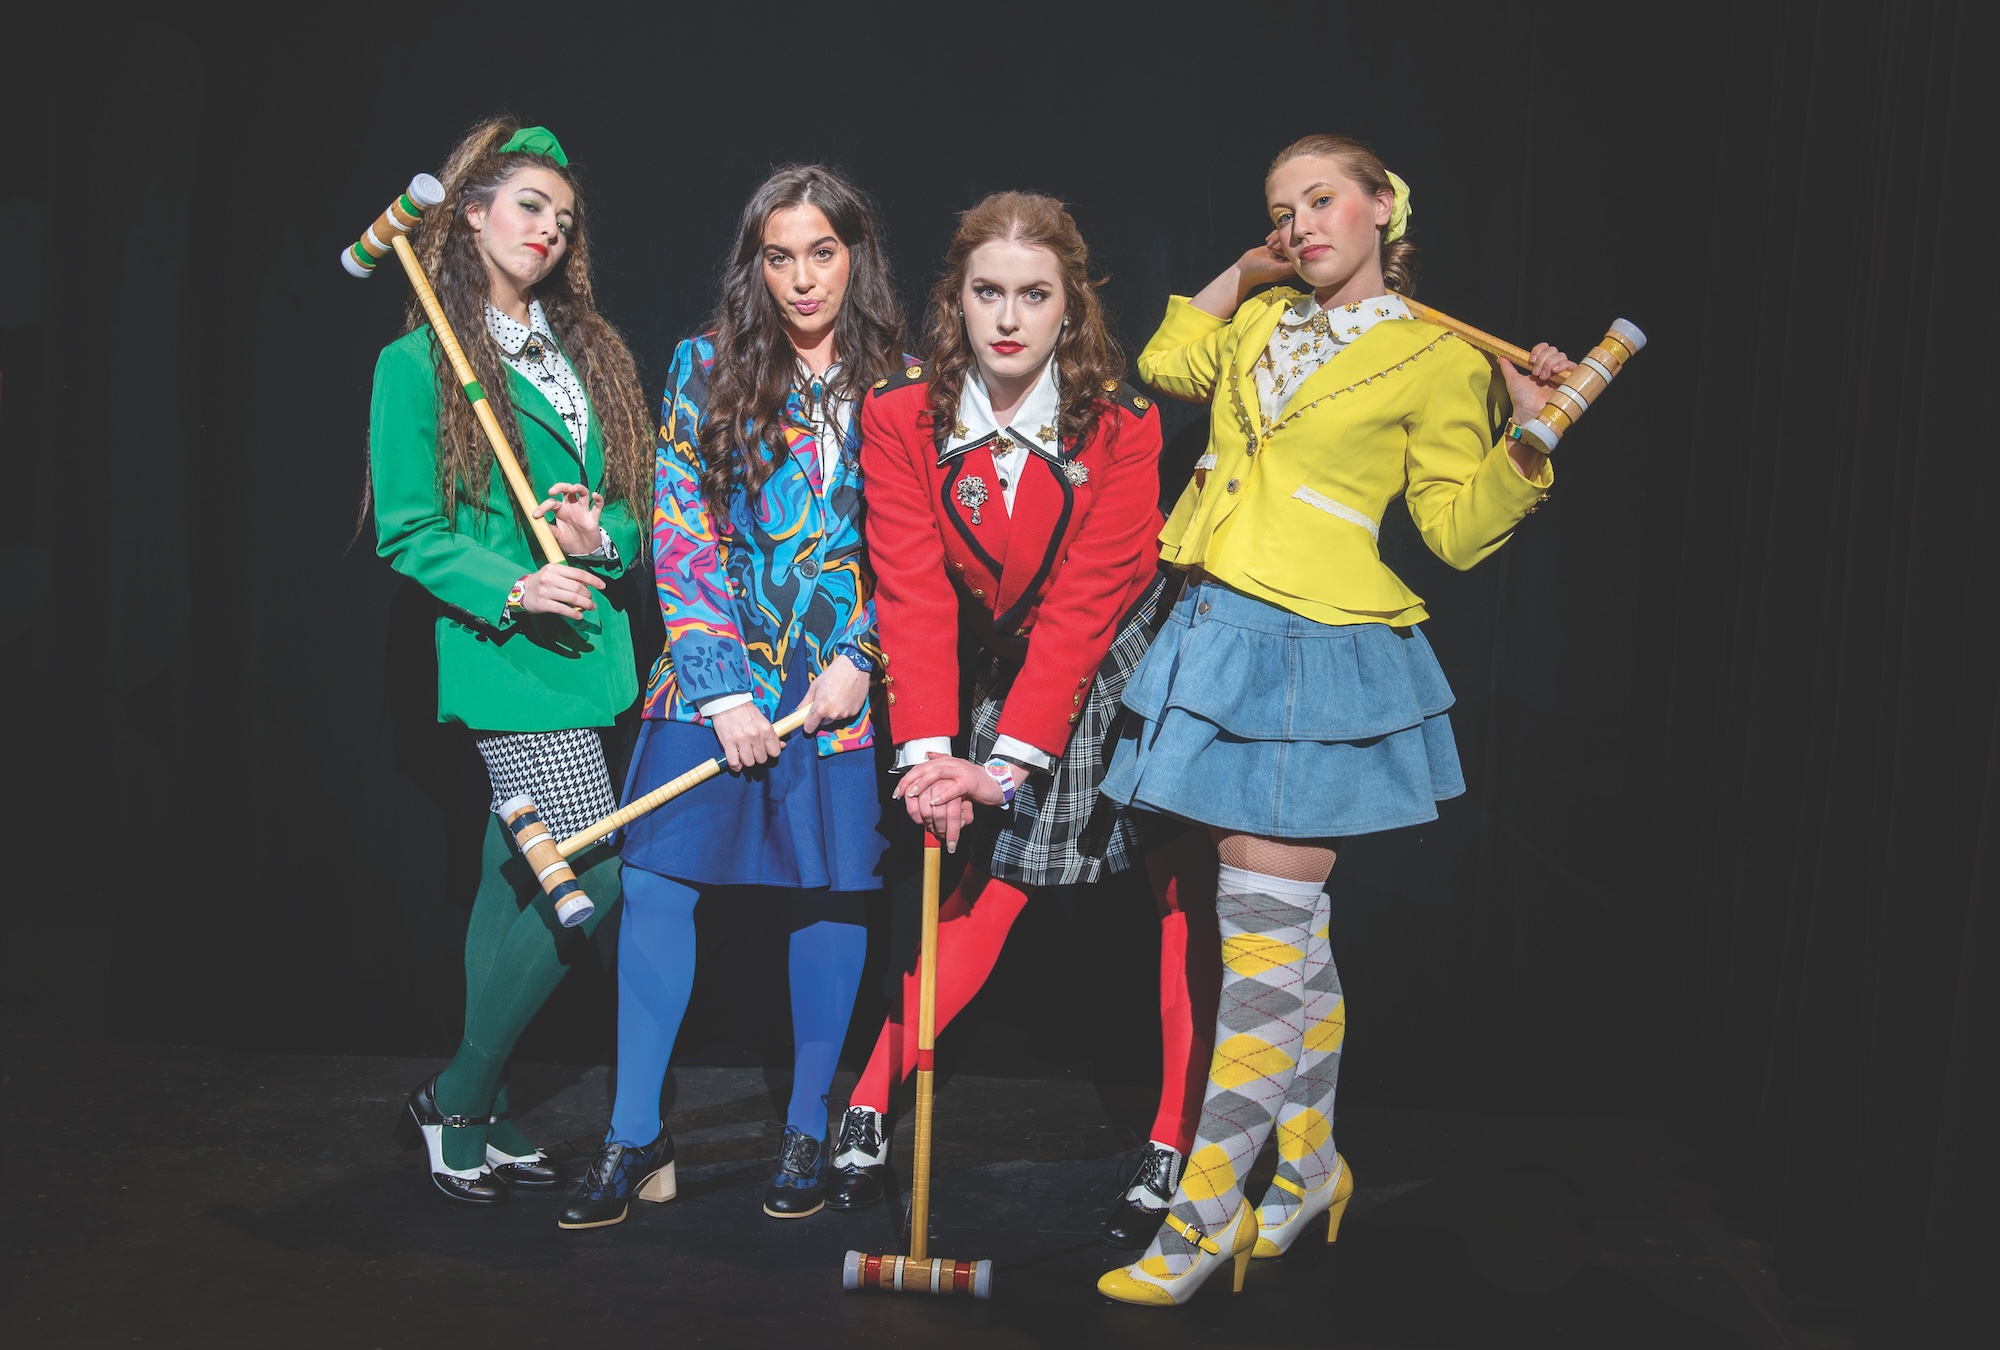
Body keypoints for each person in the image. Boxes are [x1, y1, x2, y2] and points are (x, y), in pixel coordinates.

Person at [1094, 134, 1578, 1304]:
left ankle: (1201, 1220)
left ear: (1382, 208)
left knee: (1257, 945)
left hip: (1316, 650)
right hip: (1214, 634)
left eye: (1321, 201)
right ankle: (1306, 1168)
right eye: (1279, 209)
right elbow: (1163, 359)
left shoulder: (1434, 359)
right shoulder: (1264, 323)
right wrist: (1246, 274)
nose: (1300, 223)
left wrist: (1532, 431)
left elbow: (1458, 530)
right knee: (1287, 944)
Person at [832, 192, 1223, 1250]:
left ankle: (1169, 1139)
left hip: (1127, 662)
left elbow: (1088, 605)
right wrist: (926, 754)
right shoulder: (897, 416)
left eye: (1033, 295)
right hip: (1005, 665)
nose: (1007, 318)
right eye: (987, 292)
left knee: (1181, 895)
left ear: (1069, 309)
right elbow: (910, 590)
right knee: (984, 887)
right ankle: (865, 1104)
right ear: (953, 301)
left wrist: (999, 766)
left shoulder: (1123, 427)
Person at [557, 165, 906, 1230]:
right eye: (779, 256)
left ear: (856, 256)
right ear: (754, 264)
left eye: (822, 253)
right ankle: (634, 1135)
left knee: (827, 891)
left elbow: (920, 545)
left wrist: (864, 652)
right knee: (656, 885)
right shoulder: (703, 366)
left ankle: (807, 1124)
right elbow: (679, 527)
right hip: (716, 676)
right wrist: (718, 689)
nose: (801, 279)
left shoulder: (908, 383)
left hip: (837, 681)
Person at [370, 120, 651, 1206]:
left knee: (512, 876)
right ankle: (459, 1095)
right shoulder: (416, 362)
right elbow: (407, 529)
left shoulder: (587, 356)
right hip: (508, 654)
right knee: (591, 867)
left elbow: (629, 509)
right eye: (529, 205)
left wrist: (597, 539)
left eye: (563, 218)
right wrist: (513, 582)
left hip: (588, 649)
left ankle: (473, 1116)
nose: (548, 228)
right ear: (473, 213)